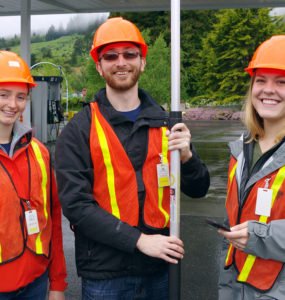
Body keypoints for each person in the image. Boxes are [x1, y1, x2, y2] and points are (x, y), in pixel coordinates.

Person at [55, 17, 209, 300]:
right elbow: (76, 206)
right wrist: (139, 241)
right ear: (99, 66)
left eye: (130, 54)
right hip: (105, 278)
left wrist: (188, 157)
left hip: (159, 271)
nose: (121, 62)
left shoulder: (166, 122)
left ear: (143, 61)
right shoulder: (79, 130)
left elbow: (199, 189)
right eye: (110, 56)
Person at [218, 35, 285, 300]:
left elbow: (256, 232)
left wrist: (260, 235)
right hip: (236, 287)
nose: (268, 90)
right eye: (261, 81)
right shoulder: (241, 148)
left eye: (281, 82)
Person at [0, 51, 67, 299]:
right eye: (3, 95)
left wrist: (58, 283)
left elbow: (54, 219)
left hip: (36, 285)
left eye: (20, 96)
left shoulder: (39, 152)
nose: (12, 104)